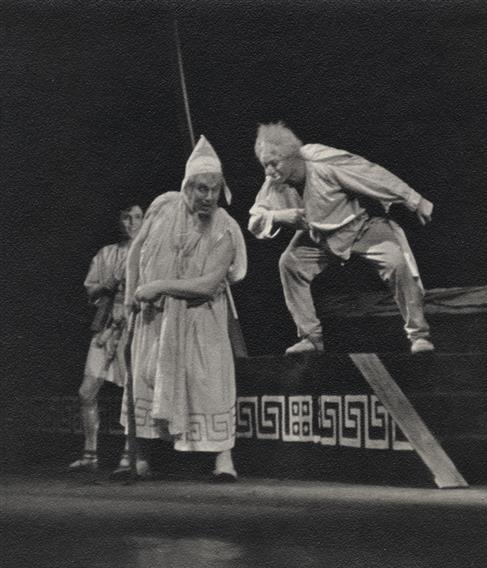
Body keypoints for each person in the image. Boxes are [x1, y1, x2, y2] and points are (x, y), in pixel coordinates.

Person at [248, 122, 435, 354]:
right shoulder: (274, 182)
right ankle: (311, 338)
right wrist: (278, 216)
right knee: (289, 264)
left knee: (397, 262)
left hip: (361, 227)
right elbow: (255, 220)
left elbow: (369, 174)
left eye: (273, 163)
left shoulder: (322, 162)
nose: (268, 171)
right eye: (265, 165)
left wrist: (415, 200)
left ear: (291, 156)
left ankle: (418, 335)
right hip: (319, 237)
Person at [122, 135, 247, 481]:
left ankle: (223, 460)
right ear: (187, 186)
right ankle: (140, 456)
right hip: (154, 318)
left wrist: (159, 286)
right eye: (202, 189)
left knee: (208, 384)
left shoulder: (225, 227)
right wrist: (132, 294)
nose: (209, 197)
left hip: (201, 319)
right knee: (146, 380)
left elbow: (207, 284)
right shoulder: (163, 207)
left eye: (215, 189)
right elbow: (136, 251)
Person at [68, 205, 143, 472]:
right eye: (126, 217)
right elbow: (90, 291)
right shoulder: (107, 253)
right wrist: (108, 284)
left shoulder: (149, 252)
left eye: (137, 217)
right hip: (106, 327)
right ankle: (90, 455)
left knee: (132, 394)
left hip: (136, 327)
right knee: (86, 391)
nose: (131, 223)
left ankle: (131, 455)